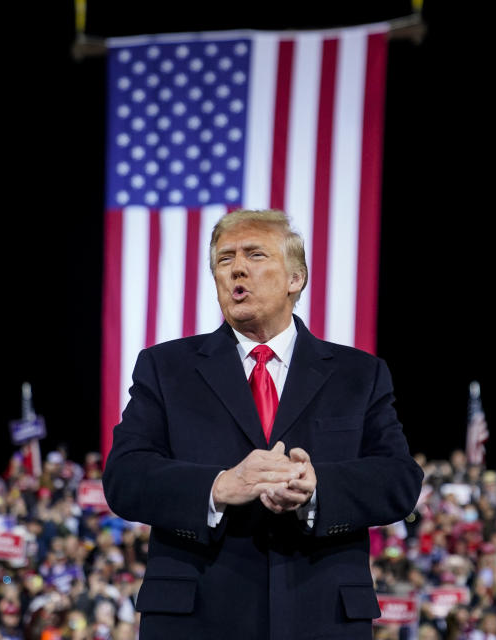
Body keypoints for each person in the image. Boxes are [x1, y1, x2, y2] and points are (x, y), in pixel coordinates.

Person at [103, 209, 424, 639]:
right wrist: (218, 487)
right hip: (196, 619)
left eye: (255, 254)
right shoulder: (165, 367)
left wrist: (317, 489)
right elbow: (124, 476)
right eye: (224, 259)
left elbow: (399, 480)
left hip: (321, 617)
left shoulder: (359, 374)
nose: (237, 268)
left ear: (296, 278)